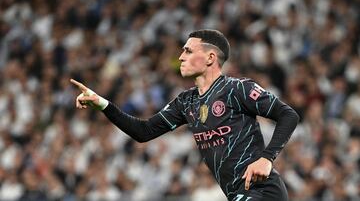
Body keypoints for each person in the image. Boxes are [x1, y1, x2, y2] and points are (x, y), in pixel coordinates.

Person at [71, 29, 299, 201]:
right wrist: (102, 103)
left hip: (262, 191)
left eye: (188, 51)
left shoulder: (237, 89)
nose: (180, 57)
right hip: (237, 194)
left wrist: (266, 158)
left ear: (210, 58)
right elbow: (143, 132)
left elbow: (288, 115)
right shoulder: (186, 102)